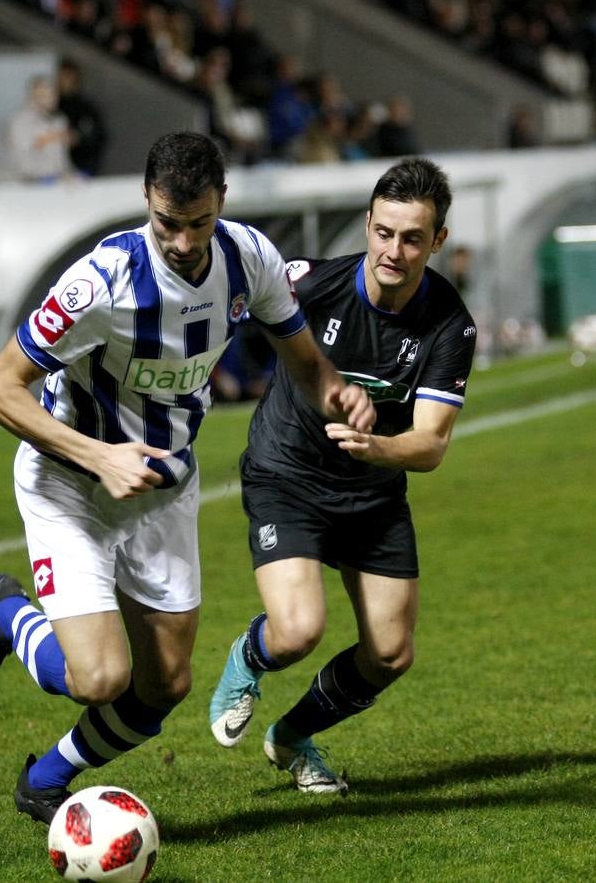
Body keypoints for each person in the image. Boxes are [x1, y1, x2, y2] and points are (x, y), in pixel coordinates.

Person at [0, 131, 375, 828]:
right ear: (147, 200)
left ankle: (45, 780)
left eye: (197, 223)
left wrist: (337, 392)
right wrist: (98, 455)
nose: (181, 240)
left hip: (165, 492)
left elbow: (302, 358)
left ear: (222, 204)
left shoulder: (249, 258)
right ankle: (6, 612)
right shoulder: (99, 281)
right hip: (70, 487)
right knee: (99, 679)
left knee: (164, 686)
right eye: (167, 223)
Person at [208, 157, 477, 793]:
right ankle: (249, 657)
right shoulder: (312, 286)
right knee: (299, 631)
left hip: (373, 492)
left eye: (413, 238)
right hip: (287, 475)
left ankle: (294, 737)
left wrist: (375, 447)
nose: (394, 250)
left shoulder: (449, 323)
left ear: (437, 241)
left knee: (390, 653)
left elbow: (432, 443)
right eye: (384, 232)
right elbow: (220, 304)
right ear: (367, 225)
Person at [2, 73, 72, 183]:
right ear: (32, 95)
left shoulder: (59, 120)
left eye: (53, 94)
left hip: (58, 181)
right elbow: (20, 158)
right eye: (43, 94)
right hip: (28, 183)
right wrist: (43, 141)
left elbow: (62, 156)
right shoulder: (18, 122)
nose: (50, 98)